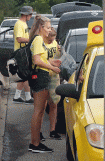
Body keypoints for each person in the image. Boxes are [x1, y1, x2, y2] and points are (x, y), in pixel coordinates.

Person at [28, 15, 61, 153]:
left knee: (40, 110)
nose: (49, 30)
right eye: (47, 27)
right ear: (41, 27)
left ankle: (36, 141)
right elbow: (37, 60)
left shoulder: (39, 40)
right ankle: (35, 143)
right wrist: (52, 67)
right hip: (39, 76)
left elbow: (42, 58)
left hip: (42, 75)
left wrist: (52, 62)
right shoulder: (38, 39)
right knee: (38, 110)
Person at [40, 28, 62, 141]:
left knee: (54, 102)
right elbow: (39, 60)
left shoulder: (54, 42)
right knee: (42, 104)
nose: (51, 42)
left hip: (54, 75)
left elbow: (58, 56)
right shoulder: (40, 43)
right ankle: (38, 132)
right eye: (50, 40)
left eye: (53, 40)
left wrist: (60, 51)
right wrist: (51, 64)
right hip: (43, 75)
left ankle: (52, 130)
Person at [13, 6, 34, 104]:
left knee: (23, 75)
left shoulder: (24, 23)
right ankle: (27, 97)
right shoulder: (19, 24)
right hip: (20, 52)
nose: (31, 16)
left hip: (24, 51)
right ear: (25, 15)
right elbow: (19, 39)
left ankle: (18, 96)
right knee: (25, 75)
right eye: (30, 14)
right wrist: (31, 40)